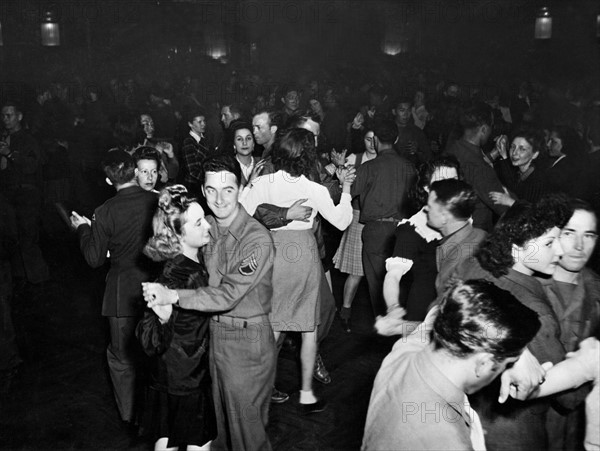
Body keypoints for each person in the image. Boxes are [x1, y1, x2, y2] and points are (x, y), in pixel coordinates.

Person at [142, 154, 277, 451]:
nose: (219, 198)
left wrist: (173, 296)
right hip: (211, 343)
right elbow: (174, 244)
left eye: (228, 189)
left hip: (246, 342)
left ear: (240, 189)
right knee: (218, 435)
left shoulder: (256, 239)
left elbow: (228, 294)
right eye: (211, 190)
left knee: (247, 436)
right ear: (203, 191)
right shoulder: (208, 228)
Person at [240, 128, 354, 414]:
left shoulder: (264, 182)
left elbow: (239, 213)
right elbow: (341, 221)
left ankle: (259, 392)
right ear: (308, 157)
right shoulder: (313, 189)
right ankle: (306, 394)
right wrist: (347, 189)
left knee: (275, 326)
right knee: (308, 330)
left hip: (274, 252)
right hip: (303, 255)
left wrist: (249, 184)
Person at [450, 194, 575, 450]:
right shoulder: (534, 313)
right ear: (517, 248)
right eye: (550, 243)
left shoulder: (472, 266)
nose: (561, 251)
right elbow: (570, 399)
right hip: (512, 433)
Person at [362, 279, 542, 450]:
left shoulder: (404, 352)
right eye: (506, 365)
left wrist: (520, 350)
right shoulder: (448, 441)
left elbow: (451, 306)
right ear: (484, 364)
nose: (505, 369)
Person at [70, 150, 158, 426]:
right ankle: (157, 413)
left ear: (109, 181)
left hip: (121, 294)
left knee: (121, 357)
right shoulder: (158, 201)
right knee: (157, 353)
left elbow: (95, 259)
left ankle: (130, 416)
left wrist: (83, 230)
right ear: (135, 172)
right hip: (157, 287)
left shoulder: (104, 211)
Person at [136, 185, 216, 451]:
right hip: (189, 376)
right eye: (198, 222)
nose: (208, 225)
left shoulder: (173, 267)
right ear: (179, 234)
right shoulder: (189, 274)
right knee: (197, 443)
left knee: (166, 437)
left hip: (164, 376)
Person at [382, 177, 485, 325]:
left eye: (430, 206)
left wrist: (397, 328)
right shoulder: (480, 235)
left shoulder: (456, 263)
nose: (425, 208)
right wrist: (393, 308)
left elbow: (449, 328)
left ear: (444, 215)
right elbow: (393, 275)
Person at [539, 200, 600, 450]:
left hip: (580, 428)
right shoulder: (525, 288)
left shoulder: (597, 289)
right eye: (569, 233)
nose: (578, 246)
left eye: (588, 235)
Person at [352, 120, 417, 317]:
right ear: (396, 139)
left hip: (376, 232)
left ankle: (384, 334)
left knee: (377, 286)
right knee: (402, 284)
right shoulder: (410, 167)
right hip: (404, 231)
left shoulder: (368, 167)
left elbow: (348, 192)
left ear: (376, 140)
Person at [333, 129, 377, 332]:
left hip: (378, 219)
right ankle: (345, 311)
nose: (372, 143)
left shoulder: (385, 160)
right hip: (358, 217)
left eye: (375, 139)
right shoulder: (355, 158)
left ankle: (377, 316)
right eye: (368, 139)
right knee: (356, 271)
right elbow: (337, 179)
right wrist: (340, 166)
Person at [1, 101, 49, 284]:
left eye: (9, 115)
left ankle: (39, 280)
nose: (5, 119)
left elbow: (32, 166)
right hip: (8, 194)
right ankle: (21, 277)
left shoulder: (28, 139)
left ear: (19, 116)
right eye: (3, 115)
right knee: (12, 238)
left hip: (27, 195)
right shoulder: (5, 138)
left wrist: (10, 154)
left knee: (28, 238)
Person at [445, 102, 508, 231]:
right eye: (491, 127)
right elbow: (504, 205)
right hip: (475, 235)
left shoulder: (452, 150)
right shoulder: (480, 169)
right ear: (484, 129)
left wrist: (494, 153)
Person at [490, 126, 548, 206]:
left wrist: (510, 202)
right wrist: (503, 154)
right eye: (513, 147)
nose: (514, 153)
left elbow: (531, 212)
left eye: (522, 149)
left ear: (535, 154)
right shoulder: (520, 172)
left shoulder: (537, 181)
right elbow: (512, 184)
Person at [180, 111, 210, 196]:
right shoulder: (188, 141)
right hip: (192, 186)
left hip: (202, 184)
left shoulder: (204, 140)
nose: (203, 124)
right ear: (190, 124)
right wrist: (207, 180)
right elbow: (192, 170)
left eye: (204, 121)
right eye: (199, 122)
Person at [231, 122, 258, 186]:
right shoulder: (229, 167)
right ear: (234, 145)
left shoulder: (263, 165)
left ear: (253, 143)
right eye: (239, 139)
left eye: (248, 138)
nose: (244, 143)